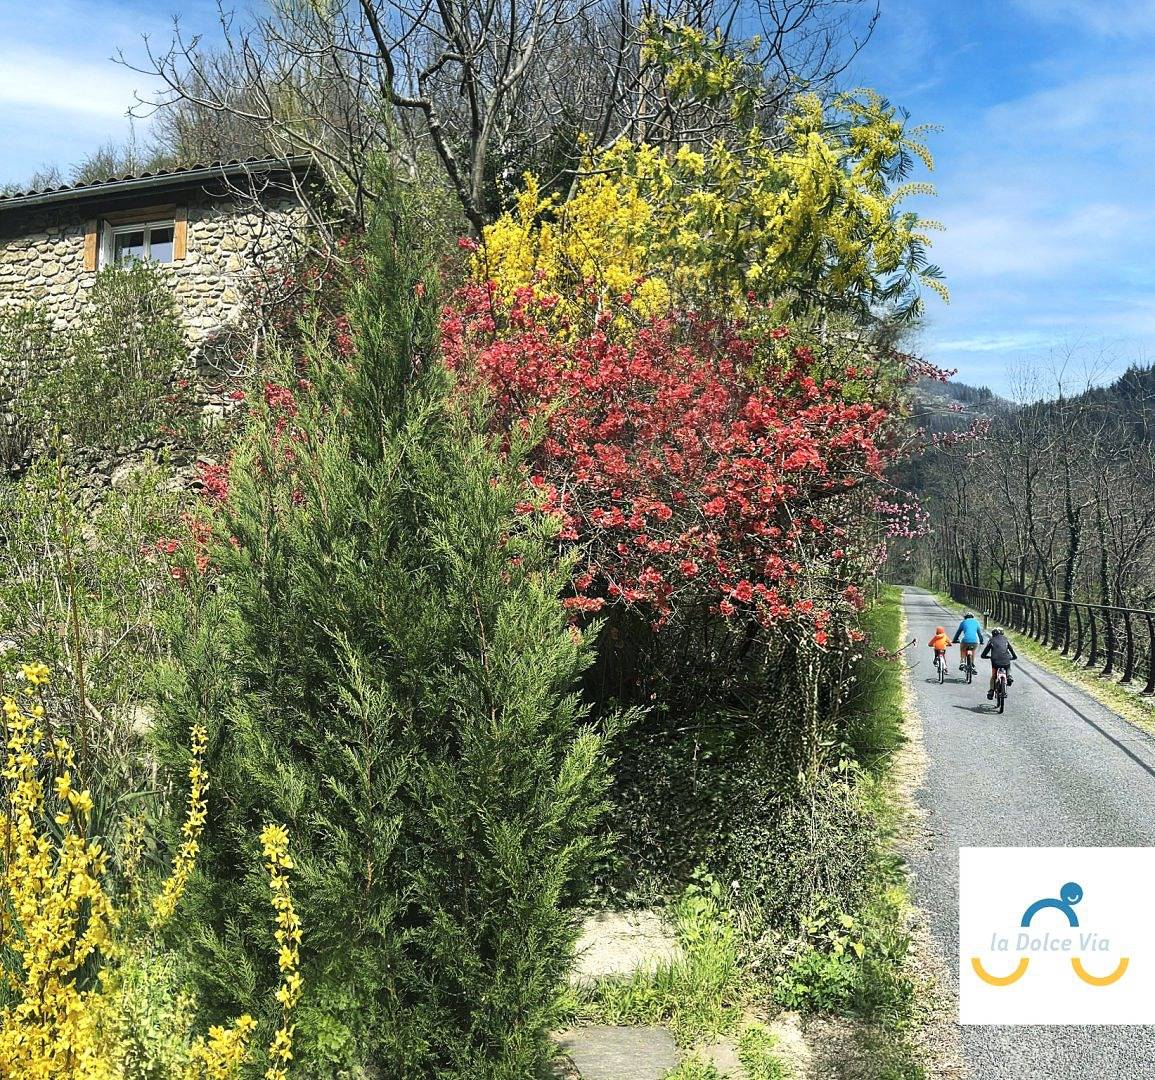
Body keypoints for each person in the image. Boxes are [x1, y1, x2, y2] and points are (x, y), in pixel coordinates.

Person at [981, 628, 1018, 700]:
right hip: (1006, 659)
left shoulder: (991, 640)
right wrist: (1014, 656)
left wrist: (985, 656)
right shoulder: (1005, 639)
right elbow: (1011, 649)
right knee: (1008, 666)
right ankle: (1009, 676)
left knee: (994, 676)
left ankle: (991, 691)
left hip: (995, 661)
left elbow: (985, 652)